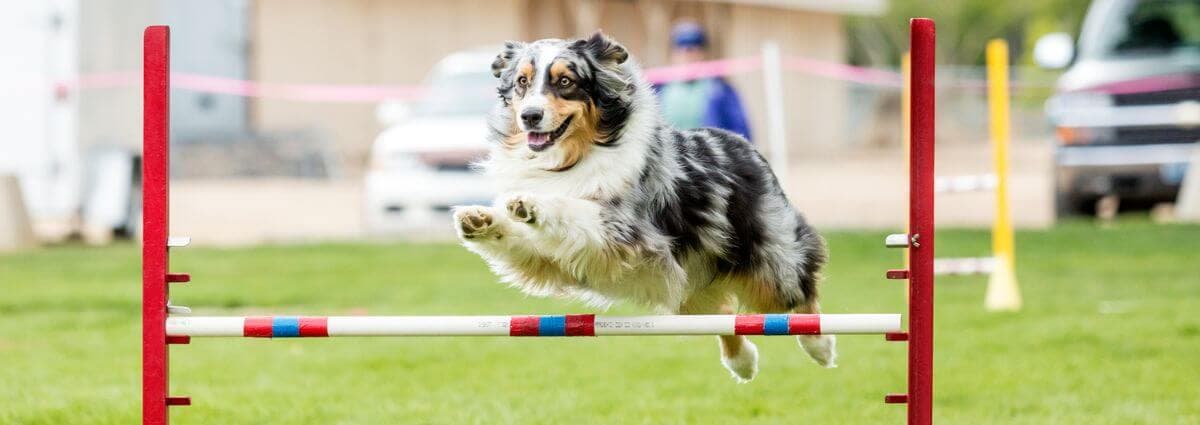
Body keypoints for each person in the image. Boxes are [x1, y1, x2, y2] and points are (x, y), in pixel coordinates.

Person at [655, 22, 753, 141]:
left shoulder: (720, 91)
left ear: (704, 54)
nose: (688, 56)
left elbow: (742, 134)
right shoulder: (658, 89)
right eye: (682, 50)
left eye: (694, 50)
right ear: (672, 54)